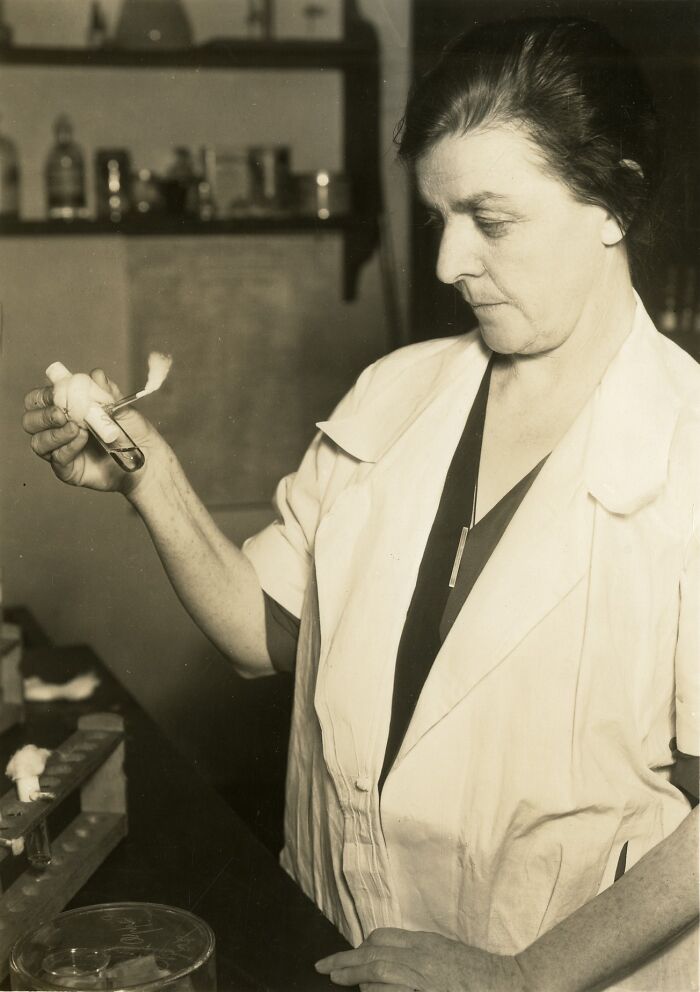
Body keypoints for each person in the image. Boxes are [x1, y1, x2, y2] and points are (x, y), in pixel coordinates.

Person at [23, 15, 698, 992]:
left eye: (491, 220)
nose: (446, 263)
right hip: (337, 937)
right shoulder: (397, 392)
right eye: (438, 218)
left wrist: (519, 973)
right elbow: (265, 635)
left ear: (614, 200)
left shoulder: (684, 452)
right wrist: (148, 477)